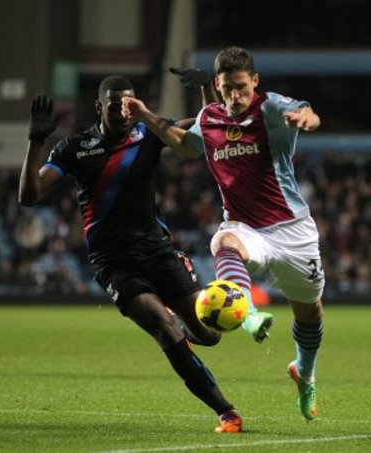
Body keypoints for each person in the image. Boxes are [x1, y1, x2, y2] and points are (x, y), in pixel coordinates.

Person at [18, 76, 242, 433]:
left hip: (158, 250)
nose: (123, 110)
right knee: (165, 331)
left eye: (128, 104)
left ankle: (177, 314)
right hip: (114, 262)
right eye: (114, 104)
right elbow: (29, 196)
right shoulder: (74, 148)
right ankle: (227, 412)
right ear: (99, 107)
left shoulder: (149, 134)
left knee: (210, 334)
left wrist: (206, 92)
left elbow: (207, 131)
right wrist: (36, 140)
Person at [123, 47, 326, 421]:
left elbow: (309, 114)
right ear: (217, 85)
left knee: (310, 312)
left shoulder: (271, 108)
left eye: (242, 87)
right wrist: (145, 115)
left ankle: (304, 372)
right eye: (228, 88)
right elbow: (185, 145)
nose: (236, 96)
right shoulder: (209, 118)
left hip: (293, 229)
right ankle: (247, 313)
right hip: (246, 227)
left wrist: (304, 119)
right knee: (223, 241)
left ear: (255, 82)